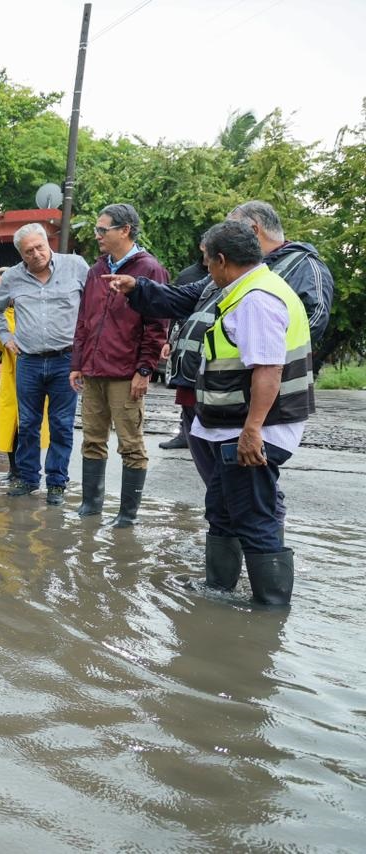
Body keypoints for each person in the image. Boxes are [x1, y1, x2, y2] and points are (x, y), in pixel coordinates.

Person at [107, 221, 313, 606]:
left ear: (221, 260)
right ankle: (218, 589)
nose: (204, 269)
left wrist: (252, 431)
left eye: (206, 261)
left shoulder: (257, 299)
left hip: (254, 430)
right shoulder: (238, 289)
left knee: (254, 516)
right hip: (229, 427)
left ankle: (270, 609)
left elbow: (268, 370)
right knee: (221, 509)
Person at [70, 204, 169, 526]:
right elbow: (84, 320)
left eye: (103, 230)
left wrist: (144, 370)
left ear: (124, 230)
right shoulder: (96, 270)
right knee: (92, 440)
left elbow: (157, 326)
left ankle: (127, 515)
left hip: (126, 373)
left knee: (131, 445)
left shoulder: (149, 269)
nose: (97, 235)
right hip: (94, 370)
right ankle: (91, 505)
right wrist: (78, 362)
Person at [0, 223, 89, 505]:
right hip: (29, 361)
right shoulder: (13, 278)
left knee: (61, 424)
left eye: (39, 247)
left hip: (66, 360)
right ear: (21, 254)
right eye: (28, 251)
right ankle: (28, 478)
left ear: (48, 244)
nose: (36, 254)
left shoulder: (76, 266)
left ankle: (57, 483)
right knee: (28, 423)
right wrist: (6, 337)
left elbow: (95, 302)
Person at [228, 200, 334, 364]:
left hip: (274, 374)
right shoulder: (247, 265)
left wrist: (266, 355)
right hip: (238, 375)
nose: (227, 240)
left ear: (254, 230)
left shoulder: (307, 266)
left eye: (232, 232)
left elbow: (315, 319)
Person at [0, 267, 48, 480]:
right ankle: (14, 470)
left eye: (1, 288)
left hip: (34, 376)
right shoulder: (0, 315)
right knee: (10, 426)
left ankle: (28, 471)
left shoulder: (29, 309)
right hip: (11, 378)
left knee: (29, 425)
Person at [158, 258, 209, 452]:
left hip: (212, 348)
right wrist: (169, 341)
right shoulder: (188, 276)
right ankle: (185, 433)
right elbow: (175, 309)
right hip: (188, 347)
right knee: (186, 392)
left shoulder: (228, 274)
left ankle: (202, 436)